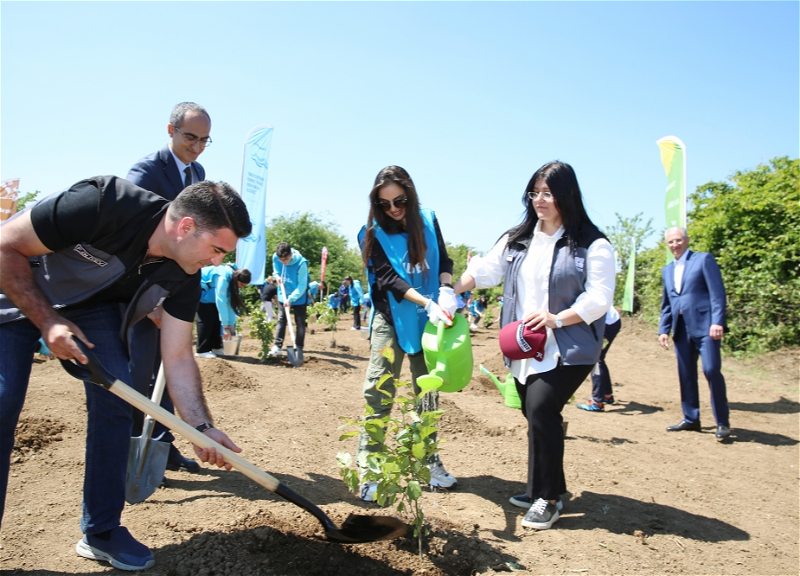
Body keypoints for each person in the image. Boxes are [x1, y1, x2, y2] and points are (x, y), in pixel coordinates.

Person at [0, 176, 250, 570]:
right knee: (3, 401)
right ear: (186, 227)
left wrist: (201, 428)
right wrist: (47, 320)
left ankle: (101, 529)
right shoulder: (103, 203)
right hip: (17, 281)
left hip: (89, 308)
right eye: (216, 249)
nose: (218, 262)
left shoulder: (184, 275)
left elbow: (178, 356)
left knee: (118, 401)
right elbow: (5, 245)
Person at [453, 161, 614, 530]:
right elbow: (485, 270)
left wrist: (558, 318)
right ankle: (547, 485)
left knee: (542, 409)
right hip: (525, 346)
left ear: (567, 196)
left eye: (548, 193)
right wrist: (451, 289)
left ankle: (548, 498)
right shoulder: (518, 238)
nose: (540, 200)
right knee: (535, 413)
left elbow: (599, 298)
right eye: (535, 193)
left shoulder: (592, 244)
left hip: (569, 346)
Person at [356, 165, 458, 502]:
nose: (393, 209)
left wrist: (446, 289)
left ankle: (427, 461)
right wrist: (426, 302)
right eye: (384, 204)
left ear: (410, 196)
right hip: (391, 319)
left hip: (429, 321)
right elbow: (388, 278)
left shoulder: (428, 220)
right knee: (380, 390)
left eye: (399, 201)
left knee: (427, 391)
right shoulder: (371, 232)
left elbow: (444, 259)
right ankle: (370, 468)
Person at [126, 102, 213, 475]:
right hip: (140, 291)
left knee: (168, 370)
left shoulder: (198, 174)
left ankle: (162, 443)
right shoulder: (146, 172)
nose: (197, 147)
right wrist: (150, 304)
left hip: (174, 288)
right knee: (140, 374)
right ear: (170, 130)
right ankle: (133, 444)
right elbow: (131, 238)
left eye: (205, 140)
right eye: (190, 137)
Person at [658, 227, 730, 441]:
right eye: (671, 242)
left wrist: (717, 322)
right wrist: (663, 329)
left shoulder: (703, 259)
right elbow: (667, 304)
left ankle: (722, 422)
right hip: (681, 329)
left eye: (678, 240)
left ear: (687, 240)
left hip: (706, 326)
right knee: (686, 374)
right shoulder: (667, 270)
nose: (675, 245)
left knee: (711, 369)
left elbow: (717, 293)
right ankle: (691, 418)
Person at [195, 265, 251, 358]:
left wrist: (231, 325)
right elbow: (221, 301)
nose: (241, 287)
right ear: (236, 279)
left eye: (244, 286)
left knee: (217, 319)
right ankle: (202, 350)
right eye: (241, 284)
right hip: (200, 289)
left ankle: (216, 347)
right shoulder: (223, 279)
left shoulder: (233, 283)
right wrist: (225, 327)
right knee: (206, 319)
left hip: (211, 294)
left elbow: (231, 305)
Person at [268, 242, 310, 358]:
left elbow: (302, 285)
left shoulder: (301, 264)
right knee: (281, 320)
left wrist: (291, 299)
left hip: (299, 296)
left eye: (286, 259)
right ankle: (277, 346)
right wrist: (277, 276)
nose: (283, 262)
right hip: (283, 293)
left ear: (291, 254)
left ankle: (299, 347)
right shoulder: (276, 257)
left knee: (300, 322)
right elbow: (276, 270)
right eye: (281, 260)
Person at [577, 306, 622, 411]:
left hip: (606, 323)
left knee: (596, 359)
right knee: (599, 358)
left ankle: (597, 401)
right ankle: (606, 395)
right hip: (610, 321)